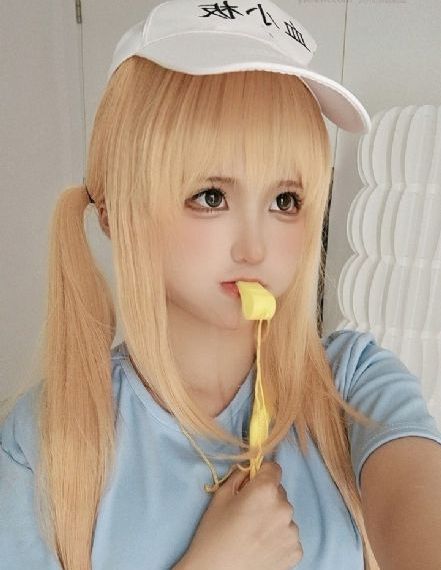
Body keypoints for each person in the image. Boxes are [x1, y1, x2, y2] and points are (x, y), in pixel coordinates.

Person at [1, 1, 441, 569]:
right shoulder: (42, 442)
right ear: (117, 211)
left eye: (286, 201)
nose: (255, 248)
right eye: (211, 197)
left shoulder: (351, 384)